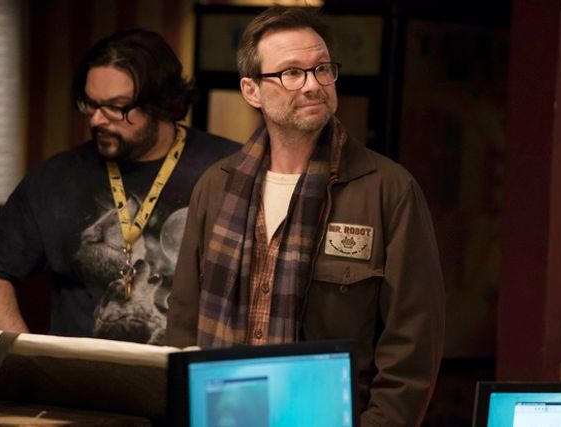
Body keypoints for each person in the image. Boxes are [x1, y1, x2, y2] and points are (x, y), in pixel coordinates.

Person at [165, 6, 445, 427]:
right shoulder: (217, 186)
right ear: (252, 90)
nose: (314, 85)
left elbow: (412, 350)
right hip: (222, 416)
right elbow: (184, 325)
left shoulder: (388, 190)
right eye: (292, 73)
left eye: (322, 69)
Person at [0, 29, 240, 345]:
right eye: (90, 104)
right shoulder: (56, 178)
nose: (96, 120)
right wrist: (23, 352)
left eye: (116, 107)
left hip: (188, 372)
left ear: (161, 103)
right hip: (80, 376)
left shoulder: (230, 169)